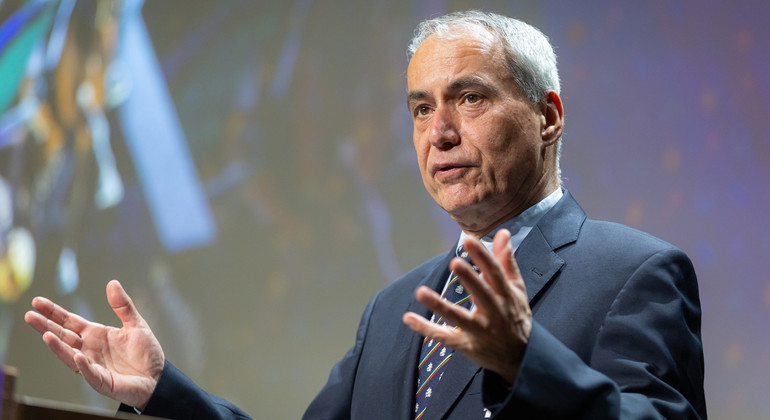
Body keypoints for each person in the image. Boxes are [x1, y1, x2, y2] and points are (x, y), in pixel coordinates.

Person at [25, 10, 706, 419]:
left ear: (548, 117)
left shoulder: (635, 272)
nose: (439, 133)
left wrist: (528, 365)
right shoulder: (393, 310)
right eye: (421, 108)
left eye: (469, 98)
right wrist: (162, 392)